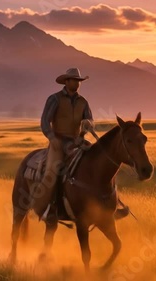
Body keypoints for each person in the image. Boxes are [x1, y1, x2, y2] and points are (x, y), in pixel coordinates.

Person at [33, 68, 94, 219]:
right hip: (58, 141)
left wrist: (88, 124)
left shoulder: (83, 102)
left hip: (77, 141)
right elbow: (45, 121)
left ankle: (109, 205)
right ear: (66, 81)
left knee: (97, 161)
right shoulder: (54, 99)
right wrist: (52, 138)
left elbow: (90, 120)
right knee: (51, 172)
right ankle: (47, 207)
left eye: (79, 81)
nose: (77, 83)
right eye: (74, 80)